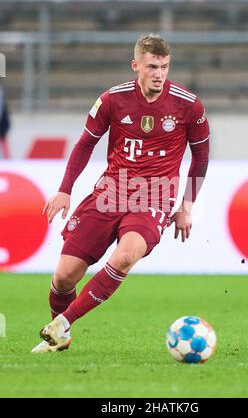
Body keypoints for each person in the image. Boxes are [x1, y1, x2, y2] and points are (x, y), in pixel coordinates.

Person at [31, 33, 210, 353]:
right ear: (136, 66)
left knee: (126, 256)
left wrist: (186, 204)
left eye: (165, 67)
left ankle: (63, 322)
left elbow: (201, 156)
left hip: (155, 195)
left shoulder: (188, 105)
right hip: (110, 192)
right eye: (153, 66)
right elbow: (86, 143)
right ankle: (60, 337)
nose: (160, 73)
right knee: (64, 277)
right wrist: (64, 190)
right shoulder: (113, 99)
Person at [0, 81, 10, 159]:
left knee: (3, 138)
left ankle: (7, 159)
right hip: (3, 120)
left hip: (2, 121)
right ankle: (7, 158)